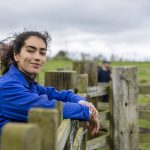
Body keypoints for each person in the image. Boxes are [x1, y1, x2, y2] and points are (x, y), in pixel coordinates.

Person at [0, 31, 99, 135]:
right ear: (16, 55)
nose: (38, 57)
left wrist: (82, 102)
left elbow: (60, 95)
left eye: (42, 53)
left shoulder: (29, 84)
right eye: (30, 51)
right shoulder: (7, 87)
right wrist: (88, 112)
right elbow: (48, 108)